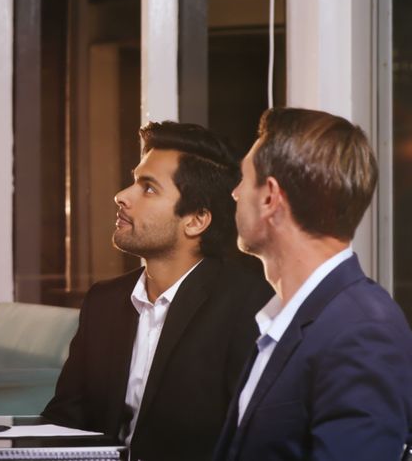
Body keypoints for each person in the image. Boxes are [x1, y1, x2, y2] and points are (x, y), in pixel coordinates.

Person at [41, 122, 272, 461]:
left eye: (148, 189)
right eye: (135, 181)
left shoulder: (247, 305)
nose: (122, 196)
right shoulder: (104, 302)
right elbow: (66, 423)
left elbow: (252, 443)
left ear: (195, 220)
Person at [213, 108, 412, 460]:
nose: (234, 193)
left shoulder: (361, 330)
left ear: (270, 198)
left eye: (244, 178)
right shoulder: (287, 319)